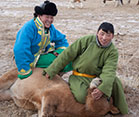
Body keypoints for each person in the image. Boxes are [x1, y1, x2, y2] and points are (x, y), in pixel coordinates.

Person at [43, 22, 128, 115]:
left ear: (112, 36)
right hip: (79, 77)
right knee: (81, 96)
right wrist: (51, 70)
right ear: (97, 33)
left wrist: (102, 89)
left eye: (108, 35)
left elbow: (109, 70)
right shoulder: (86, 40)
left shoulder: (113, 51)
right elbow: (67, 55)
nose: (104, 38)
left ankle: (120, 110)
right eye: (102, 34)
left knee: (116, 82)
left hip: (98, 77)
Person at [14, 0, 72, 79]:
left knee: (68, 60)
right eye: (47, 17)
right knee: (59, 62)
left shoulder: (50, 28)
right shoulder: (29, 27)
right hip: (31, 59)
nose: (50, 20)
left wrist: (59, 51)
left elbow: (61, 39)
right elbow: (20, 49)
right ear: (39, 15)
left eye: (51, 17)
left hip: (43, 54)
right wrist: (25, 70)